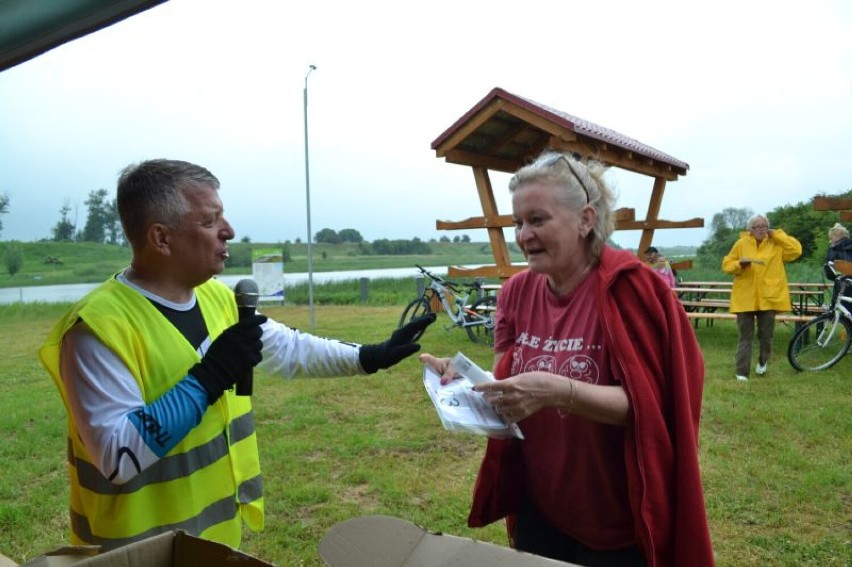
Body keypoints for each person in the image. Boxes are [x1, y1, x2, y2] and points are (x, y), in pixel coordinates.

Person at [38, 159, 435, 551]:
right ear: (161, 238)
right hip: (136, 553)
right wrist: (208, 378)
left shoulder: (218, 297)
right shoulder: (97, 329)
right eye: (210, 222)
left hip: (212, 541)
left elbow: (287, 347)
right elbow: (116, 457)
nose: (228, 231)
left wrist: (370, 356)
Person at [420, 151, 714, 567]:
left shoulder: (633, 290)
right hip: (542, 507)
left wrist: (558, 391)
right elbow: (507, 379)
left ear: (585, 219)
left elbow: (655, 408)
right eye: (517, 223)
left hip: (618, 521)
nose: (523, 235)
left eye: (537, 220)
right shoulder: (516, 293)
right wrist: (465, 379)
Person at [721, 214, 801, 381]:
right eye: (757, 227)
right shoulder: (741, 244)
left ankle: (763, 361)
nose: (761, 230)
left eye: (764, 226)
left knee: (766, 335)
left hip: (769, 297)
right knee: (745, 337)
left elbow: (796, 250)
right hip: (745, 297)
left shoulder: (776, 244)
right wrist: (739, 264)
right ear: (750, 229)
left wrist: (776, 234)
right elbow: (727, 265)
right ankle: (742, 372)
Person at [825, 223, 852, 297]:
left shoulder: (834, 249)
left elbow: (829, 270)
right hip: (849, 281)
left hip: (842, 283)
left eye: (831, 238)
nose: (830, 240)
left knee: (841, 305)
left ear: (837, 236)